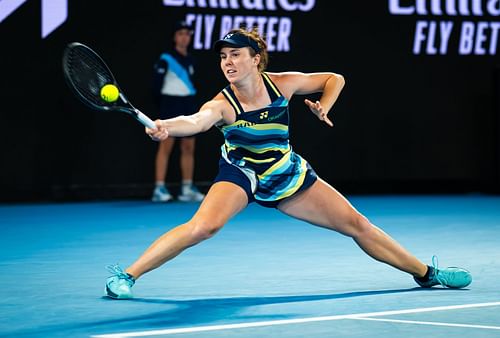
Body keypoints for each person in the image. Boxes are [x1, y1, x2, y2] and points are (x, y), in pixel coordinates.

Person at [105, 28, 472, 299]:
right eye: (223, 56)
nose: (228, 62)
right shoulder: (222, 103)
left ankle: (427, 273)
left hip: (285, 172)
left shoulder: (284, 83)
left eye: (236, 55)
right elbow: (196, 121)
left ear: (255, 59)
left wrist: (325, 105)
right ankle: (128, 275)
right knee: (202, 227)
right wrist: (166, 127)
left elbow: (334, 79)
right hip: (242, 173)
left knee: (357, 224)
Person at [151, 20, 205, 202]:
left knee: (188, 147)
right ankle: (159, 188)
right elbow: (156, 87)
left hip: (188, 103)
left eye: (188, 34)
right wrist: (162, 106)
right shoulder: (166, 58)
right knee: (165, 146)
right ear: (175, 37)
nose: (185, 37)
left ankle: (187, 188)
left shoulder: (192, 59)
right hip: (170, 103)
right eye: (181, 33)